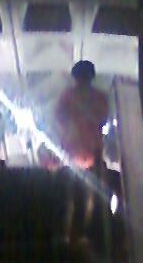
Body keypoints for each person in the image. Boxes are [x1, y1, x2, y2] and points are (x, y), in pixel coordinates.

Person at [45, 59, 109, 245]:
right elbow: (102, 120)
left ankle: (69, 233)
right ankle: (86, 235)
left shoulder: (67, 97)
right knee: (90, 197)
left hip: (72, 152)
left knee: (71, 195)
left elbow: (60, 119)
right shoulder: (100, 98)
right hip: (92, 151)